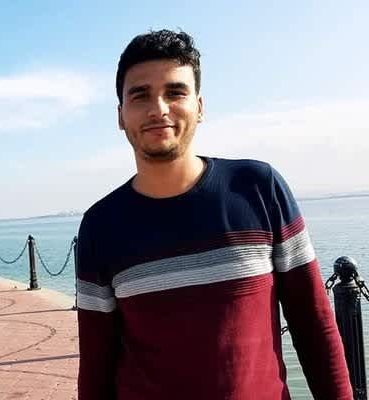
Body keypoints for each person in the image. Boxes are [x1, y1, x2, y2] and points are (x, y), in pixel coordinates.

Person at [76, 29, 353, 399]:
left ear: (200, 106)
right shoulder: (101, 226)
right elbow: (96, 366)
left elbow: (314, 324)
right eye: (140, 95)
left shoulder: (258, 188)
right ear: (121, 115)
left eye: (175, 92)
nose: (158, 109)